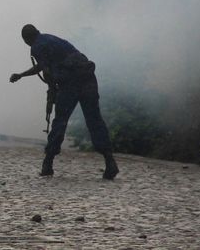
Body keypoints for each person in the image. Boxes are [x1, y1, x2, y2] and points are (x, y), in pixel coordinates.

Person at [9, 24, 119, 180]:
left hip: (70, 83)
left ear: (27, 40)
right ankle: (110, 162)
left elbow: (44, 69)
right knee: (95, 120)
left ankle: (48, 164)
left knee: (60, 121)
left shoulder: (36, 46)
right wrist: (24, 75)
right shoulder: (51, 39)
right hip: (88, 77)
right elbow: (44, 66)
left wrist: (50, 88)